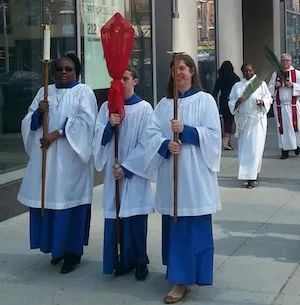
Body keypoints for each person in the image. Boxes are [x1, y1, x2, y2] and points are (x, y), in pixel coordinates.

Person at [144, 54, 222, 304]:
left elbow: (214, 135)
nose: (178, 73)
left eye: (182, 68)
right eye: (174, 69)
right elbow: (151, 133)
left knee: (194, 226)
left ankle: (192, 273)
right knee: (176, 224)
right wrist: (166, 144)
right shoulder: (165, 104)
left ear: (192, 72)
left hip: (195, 176)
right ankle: (179, 276)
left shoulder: (205, 100)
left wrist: (186, 131)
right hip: (173, 175)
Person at [17, 53, 98, 274]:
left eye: (68, 69)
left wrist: (59, 133)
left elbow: (87, 123)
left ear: (76, 72)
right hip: (47, 158)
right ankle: (57, 249)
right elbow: (28, 119)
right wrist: (37, 115)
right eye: (60, 69)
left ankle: (72, 253)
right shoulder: (45, 91)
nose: (63, 72)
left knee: (69, 204)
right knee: (50, 201)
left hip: (71, 161)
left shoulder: (83, 92)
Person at [93, 64, 154, 281]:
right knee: (116, 216)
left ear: (135, 81)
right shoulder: (106, 108)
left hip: (133, 173)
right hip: (113, 170)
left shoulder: (145, 109)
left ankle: (139, 261)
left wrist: (127, 168)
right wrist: (110, 125)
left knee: (135, 219)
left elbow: (148, 142)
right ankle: (120, 260)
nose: (121, 83)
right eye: (117, 79)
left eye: (125, 78)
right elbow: (98, 136)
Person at [228, 63, 272, 189]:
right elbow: (230, 101)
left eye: (250, 70)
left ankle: (252, 177)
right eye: (246, 71)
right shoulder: (237, 86)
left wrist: (262, 102)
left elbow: (268, 97)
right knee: (244, 150)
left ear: (254, 71)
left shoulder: (260, 84)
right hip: (244, 121)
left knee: (255, 149)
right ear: (242, 72)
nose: (248, 73)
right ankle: (248, 174)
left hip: (257, 121)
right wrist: (237, 102)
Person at [268, 53, 300, 159]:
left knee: (295, 127)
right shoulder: (275, 74)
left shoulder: (297, 73)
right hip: (280, 106)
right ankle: (284, 150)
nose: (285, 62)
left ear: (290, 62)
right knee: (282, 129)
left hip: (293, 105)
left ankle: (296, 147)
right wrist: (275, 86)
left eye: (287, 60)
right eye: (282, 61)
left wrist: (293, 85)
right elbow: (269, 89)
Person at [213, 61, 240, 150]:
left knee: (226, 121)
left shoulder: (220, 78)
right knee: (230, 122)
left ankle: (228, 141)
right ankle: (226, 142)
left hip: (223, 101)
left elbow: (215, 91)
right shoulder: (235, 78)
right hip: (233, 102)